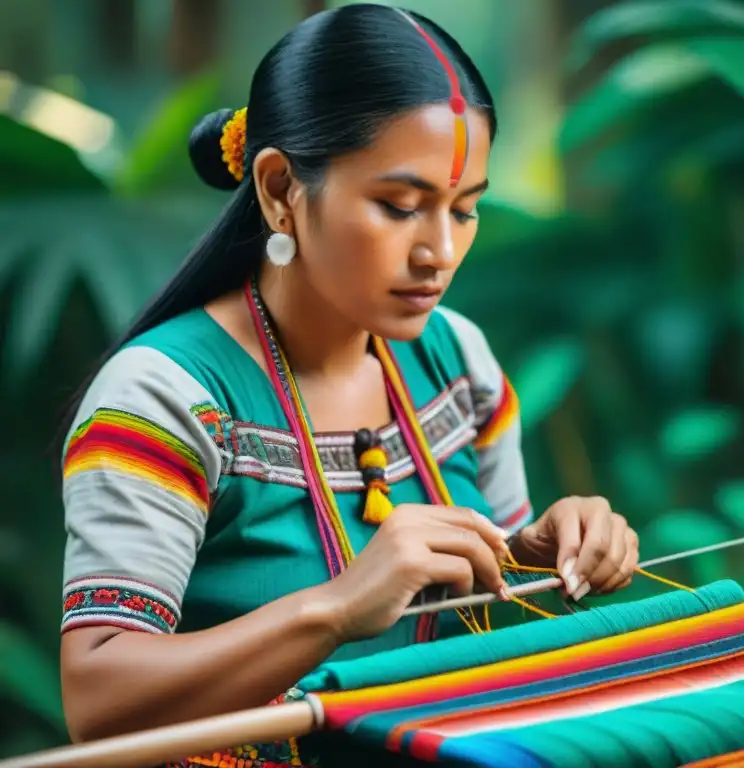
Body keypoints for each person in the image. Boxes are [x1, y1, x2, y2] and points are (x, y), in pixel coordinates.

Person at [57, 3, 640, 764]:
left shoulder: (460, 364)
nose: (439, 251)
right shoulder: (165, 399)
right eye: (400, 206)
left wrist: (537, 557)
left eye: (464, 211)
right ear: (278, 190)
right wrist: (335, 609)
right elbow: (99, 703)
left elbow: (489, 625)